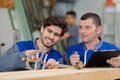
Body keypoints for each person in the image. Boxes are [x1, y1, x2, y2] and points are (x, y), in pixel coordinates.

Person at [0, 15, 67, 71]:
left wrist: (54, 70)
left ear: (60, 38)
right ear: (42, 29)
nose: (51, 37)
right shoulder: (20, 46)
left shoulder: (58, 58)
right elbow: (1, 64)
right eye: (49, 31)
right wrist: (23, 56)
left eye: (56, 35)